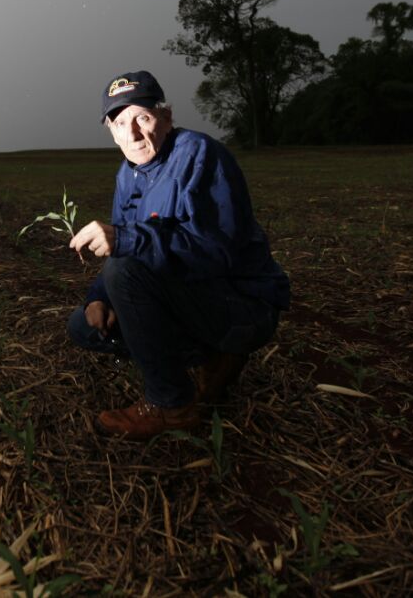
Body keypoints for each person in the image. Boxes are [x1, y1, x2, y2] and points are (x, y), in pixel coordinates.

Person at [67, 70, 291, 438]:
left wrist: (127, 239)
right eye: (120, 123)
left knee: (125, 269)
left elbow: (218, 252)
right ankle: (215, 357)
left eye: (142, 118)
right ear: (111, 132)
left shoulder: (201, 155)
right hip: (192, 300)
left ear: (166, 117)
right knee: (84, 326)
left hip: (242, 304)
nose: (132, 134)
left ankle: (172, 405)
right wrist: (98, 297)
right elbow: (125, 243)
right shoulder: (128, 173)